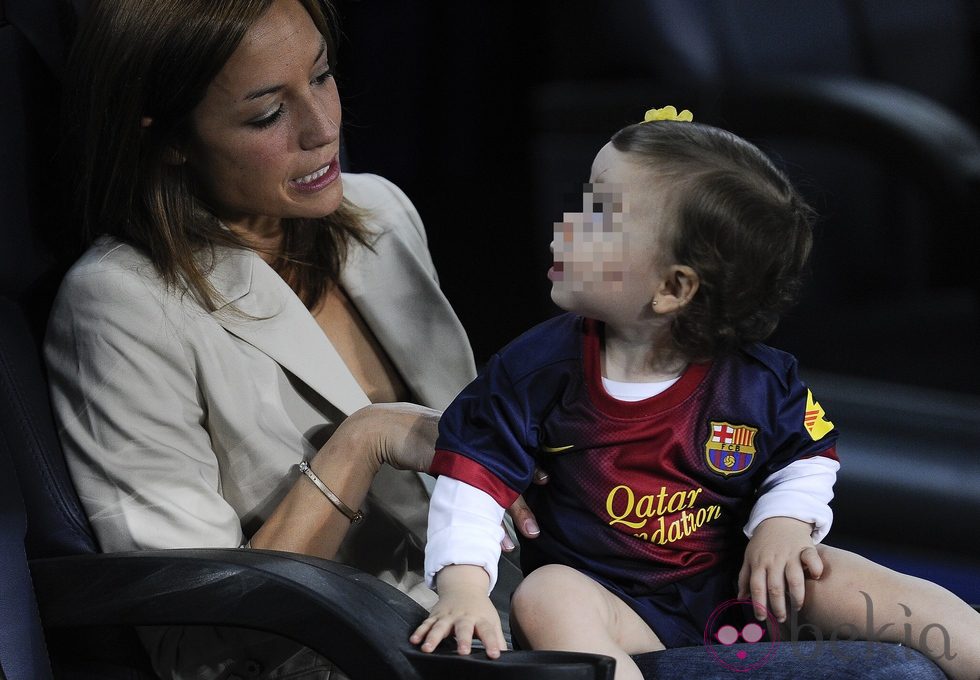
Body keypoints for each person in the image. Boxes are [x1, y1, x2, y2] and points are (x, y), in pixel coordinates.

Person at [43, 0, 536, 677]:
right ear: (169, 138)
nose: (323, 127)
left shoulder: (381, 213)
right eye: (267, 114)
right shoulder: (119, 304)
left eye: (324, 77)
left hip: (508, 618)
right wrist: (363, 441)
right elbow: (196, 643)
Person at [410, 108, 980, 679]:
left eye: (598, 216)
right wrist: (462, 587)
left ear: (672, 288)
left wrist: (782, 526)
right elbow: (473, 483)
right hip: (624, 614)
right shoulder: (535, 371)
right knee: (546, 595)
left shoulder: (758, 380)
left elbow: (806, 460)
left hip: (746, 592)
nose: (566, 224)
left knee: (840, 575)